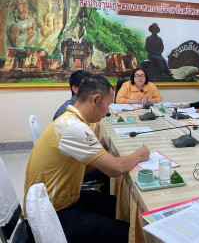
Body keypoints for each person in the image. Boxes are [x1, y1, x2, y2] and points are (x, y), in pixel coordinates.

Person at [24, 75, 150, 242]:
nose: (107, 111)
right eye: (108, 104)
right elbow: (115, 169)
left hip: (62, 200)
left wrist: (102, 154)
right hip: (53, 216)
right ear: (96, 100)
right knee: (131, 233)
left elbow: (87, 168)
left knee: (119, 205)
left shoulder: (69, 120)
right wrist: (139, 155)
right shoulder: (74, 127)